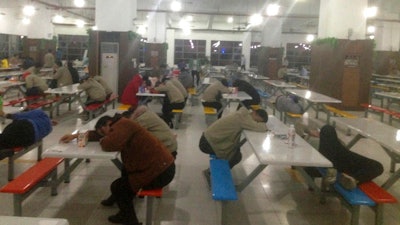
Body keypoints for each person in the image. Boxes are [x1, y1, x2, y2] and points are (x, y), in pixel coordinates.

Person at [100, 116, 175, 225]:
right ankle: (122, 210)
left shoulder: (123, 126)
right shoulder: (124, 123)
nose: (106, 134)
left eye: (104, 131)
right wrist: (78, 136)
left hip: (160, 172)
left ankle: (130, 220)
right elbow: (99, 135)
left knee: (118, 187)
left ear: (108, 123)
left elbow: (109, 144)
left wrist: (103, 140)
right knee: (126, 173)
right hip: (162, 167)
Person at [199, 107, 269, 169]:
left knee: (236, 151)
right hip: (207, 144)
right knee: (236, 157)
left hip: (207, 138)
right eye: (257, 121)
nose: (255, 122)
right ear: (254, 113)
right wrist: (263, 125)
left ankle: (217, 170)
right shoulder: (244, 118)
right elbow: (261, 128)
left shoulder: (243, 114)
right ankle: (212, 173)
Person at [318, 125, 384, 190]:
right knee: (378, 166)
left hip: (337, 161)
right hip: (345, 159)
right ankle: (354, 178)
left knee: (327, 129)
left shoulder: (324, 151)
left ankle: (351, 178)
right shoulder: (339, 151)